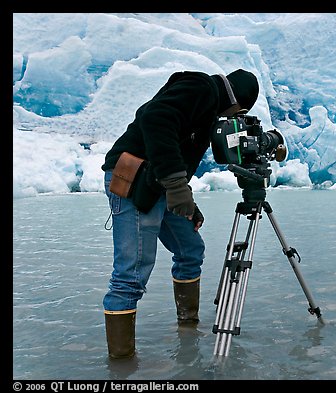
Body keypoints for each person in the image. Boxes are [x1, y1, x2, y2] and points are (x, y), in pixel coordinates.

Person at [100, 68, 260, 359]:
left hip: (159, 181)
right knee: (131, 273)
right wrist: (175, 185)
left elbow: (176, 148)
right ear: (237, 101)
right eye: (239, 112)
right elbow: (155, 118)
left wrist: (184, 197)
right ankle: (121, 364)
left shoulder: (208, 109)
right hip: (134, 177)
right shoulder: (199, 86)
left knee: (190, 250)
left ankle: (187, 331)